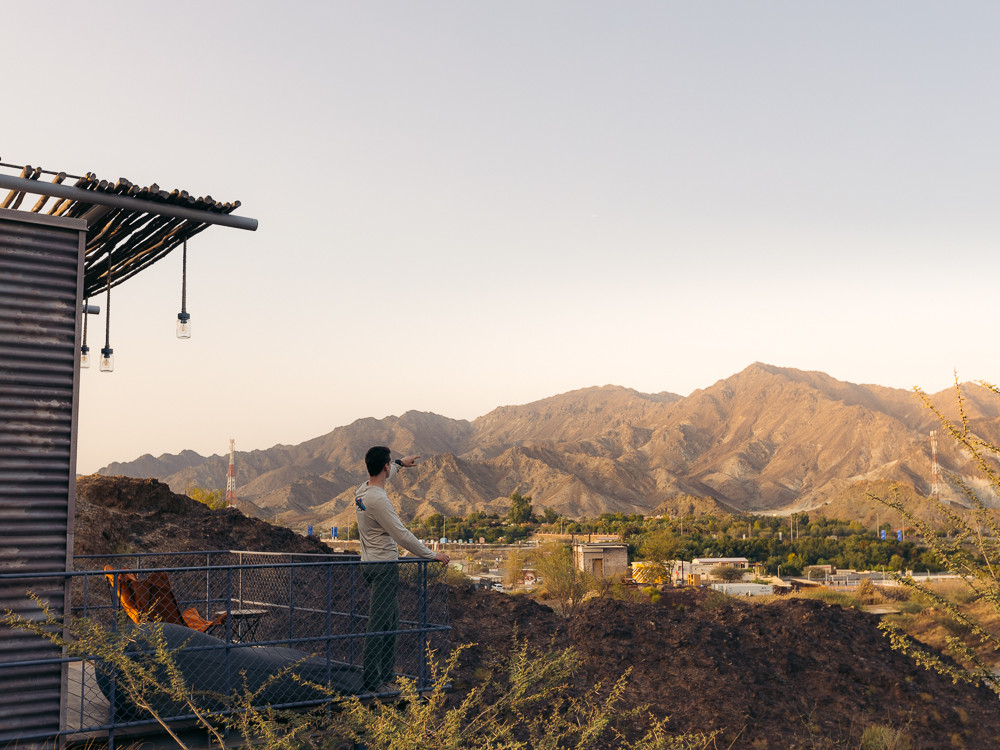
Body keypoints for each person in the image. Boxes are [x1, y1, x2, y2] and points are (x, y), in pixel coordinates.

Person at [354, 446, 449, 693]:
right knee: (378, 624)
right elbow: (402, 535)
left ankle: (387, 675)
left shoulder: (361, 491)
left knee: (391, 619)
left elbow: (386, 473)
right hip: (384, 567)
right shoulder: (379, 500)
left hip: (368, 563)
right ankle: (373, 681)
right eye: (389, 465)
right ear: (383, 467)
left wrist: (400, 463)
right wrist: (432, 555)